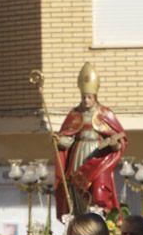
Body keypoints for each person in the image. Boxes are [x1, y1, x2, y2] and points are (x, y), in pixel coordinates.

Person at [54, 63, 127, 217]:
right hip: (79, 154)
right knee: (77, 189)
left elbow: (119, 139)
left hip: (97, 156)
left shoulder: (105, 113)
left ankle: (98, 217)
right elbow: (69, 138)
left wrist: (114, 145)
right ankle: (78, 216)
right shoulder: (75, 113)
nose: (86, 100)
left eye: (89, 97)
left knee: (97, 188)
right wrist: (60, 141)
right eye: (83, 97)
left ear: (95, 97)